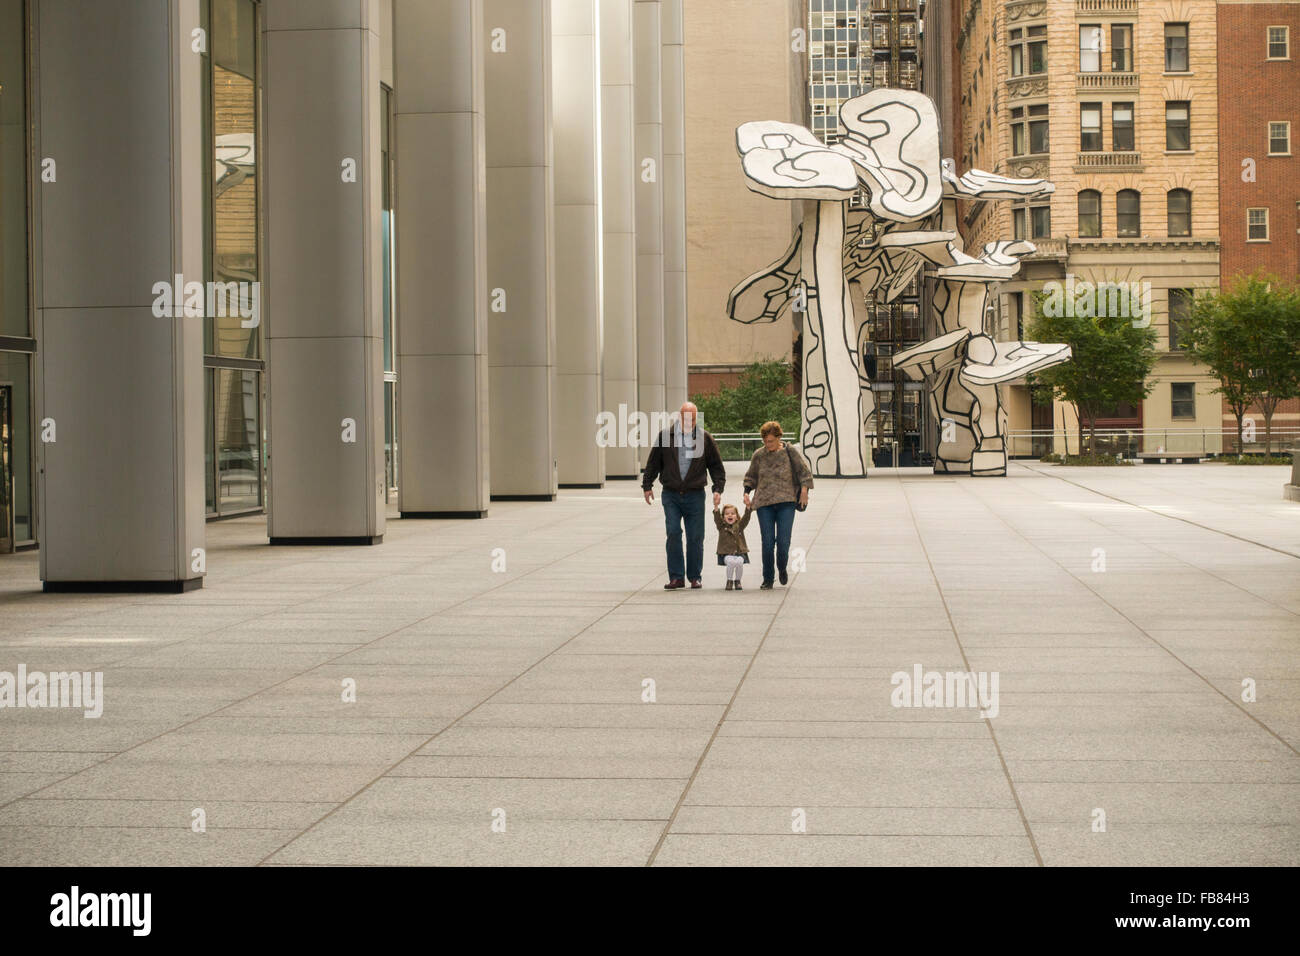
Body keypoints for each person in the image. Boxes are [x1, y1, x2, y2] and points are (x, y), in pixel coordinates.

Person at [643, 402, 726, 590]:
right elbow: (653, 462)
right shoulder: (666, 436)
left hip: (695, 495)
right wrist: (647, 485)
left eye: (693, 418)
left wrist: (717, 489)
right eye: (686, 417)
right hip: (671, 494)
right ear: (680, 417)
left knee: (695, 537)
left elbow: (716, 467)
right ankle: (676, 577)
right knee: (673, 533)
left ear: (697, 418)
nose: (690, 421)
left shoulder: (704, 438)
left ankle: (695, 576)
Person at [742, 421, 813, 589]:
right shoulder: (759, 455)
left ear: (779, 438)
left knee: (783, 542)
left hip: (786, 503)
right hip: (764, 503)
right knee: (767, 542)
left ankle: (781, 567)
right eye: (766, 441)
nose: (768, 445)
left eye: (771, 441)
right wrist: (746, 492)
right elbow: (751, 476)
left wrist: (804, 491)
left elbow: (804, 472)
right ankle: (768, 578)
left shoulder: (789, 452)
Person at [714, 502, 753, 591]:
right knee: (731, 562)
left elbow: (746, 519)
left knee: (739, 562)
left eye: (732, 513)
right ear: (723, 516)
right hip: (726, 554)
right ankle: (729, 581)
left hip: (739, 553)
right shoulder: (721, 526)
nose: (730, 515)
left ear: (737, 516)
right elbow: (717, 518)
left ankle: (738, 581)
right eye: (727, 514)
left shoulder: (739, 526)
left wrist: (748, 507)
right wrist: (716, 506)